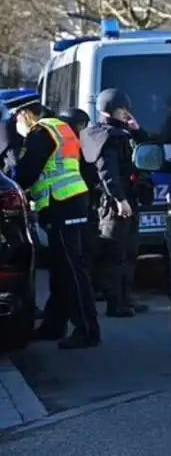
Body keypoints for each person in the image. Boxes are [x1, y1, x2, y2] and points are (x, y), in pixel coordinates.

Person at [3, 92, 100, 349]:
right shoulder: (59, 126)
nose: (17, 127)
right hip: (71, 201)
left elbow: (27, 172)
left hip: (61, 204)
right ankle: (53, 326)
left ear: (25, 114)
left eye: (16, 121)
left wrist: (11, 181)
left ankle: (87, 330)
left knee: (71, 268)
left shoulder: (41, 131)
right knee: (61, 268)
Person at [81, 89, 149, 317]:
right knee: (114, 254)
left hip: (127, 199)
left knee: (129, 252)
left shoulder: (120, 133)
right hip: (114, 203)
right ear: (112, 110)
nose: (127, 114)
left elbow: (145, 150)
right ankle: (114, 303)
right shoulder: (105, 137)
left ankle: (125, 298)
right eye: (123, 110)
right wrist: (120, 200)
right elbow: (107, 173)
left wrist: (137, 130)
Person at [58, 108, 105, 301]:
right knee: (84, 250)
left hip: (68, 206)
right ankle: (86, 290)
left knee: (79, 251)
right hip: (80, 205)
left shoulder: (63, 143)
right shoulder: (79, 144)